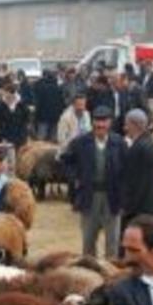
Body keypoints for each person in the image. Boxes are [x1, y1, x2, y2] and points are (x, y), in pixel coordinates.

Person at [60, 106, 126, 258]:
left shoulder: (119, 143)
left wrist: (124, 195)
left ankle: (112, 277)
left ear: (110, 123)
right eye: (97, 121)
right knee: (88, 242)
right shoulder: (80, 142)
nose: (100, 125)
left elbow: (128, 171)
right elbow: (65, 161)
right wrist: (75, 178)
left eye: (104, 121)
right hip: (89, 197)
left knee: (113, 243)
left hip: (113, 199)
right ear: (92, 122)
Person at [122, 110, 153, 231]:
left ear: (134, 125)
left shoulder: (138, 148)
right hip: (152, 206)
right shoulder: (149, 143)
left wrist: (127, 208)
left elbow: (134, 182)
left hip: (141, 210)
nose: (125, 128)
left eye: (127, 124)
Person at [0, 84, 31, 152]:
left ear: (13, 94)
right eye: (5, 94)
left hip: (20, 135)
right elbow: (0, 121)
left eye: (8, 94)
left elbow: (27, 117)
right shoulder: (1, 105)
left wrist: (25, 130)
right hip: (7, 135)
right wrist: (2, 135)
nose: (6, 96)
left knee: (20, 154)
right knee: (9, 156)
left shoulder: (21, 103)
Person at [33, 69, 66, 141]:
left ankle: (41, 151)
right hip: (55, 117)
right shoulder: (58, 88)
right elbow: (62, 103)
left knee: (41, 139)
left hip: (43, 117)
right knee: (53, 139)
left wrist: (36, 116)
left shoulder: (41, 88)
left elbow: (38, 103)